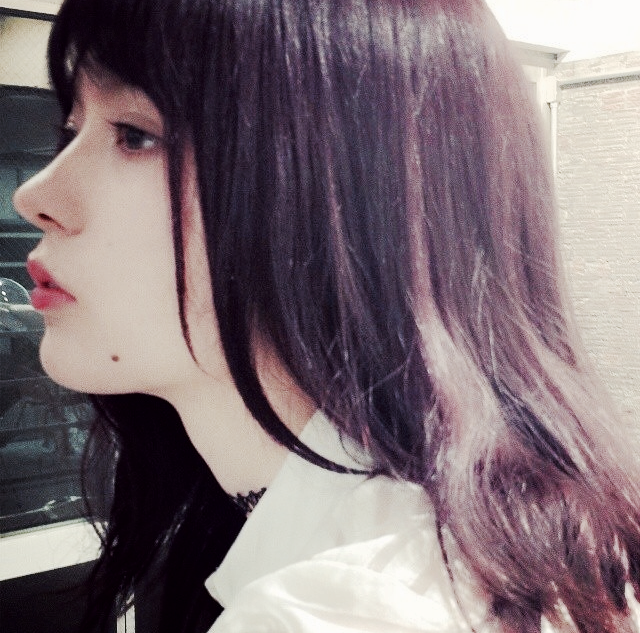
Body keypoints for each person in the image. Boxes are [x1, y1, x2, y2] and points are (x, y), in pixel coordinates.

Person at [13, 0, 640, 631]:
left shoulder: (336, 612)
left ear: (354, 196)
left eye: (135, 134)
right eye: (72, 131)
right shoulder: (497, 537)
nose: (34, 195)